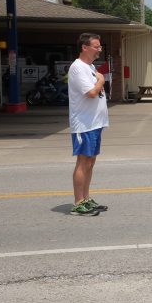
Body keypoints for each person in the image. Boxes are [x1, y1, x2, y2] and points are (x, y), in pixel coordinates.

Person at [68, 32, 109, 215]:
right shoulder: (78, 67)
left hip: (95, 123)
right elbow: (91, 93)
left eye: (100, 46)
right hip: (84, 124)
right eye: (96, 46)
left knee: (90, 162)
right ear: (85, 47)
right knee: (83, 161)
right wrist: (101, 80)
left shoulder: (90, 67)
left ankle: (86, 198)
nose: (99, 49)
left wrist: (98, 78)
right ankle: (78, 203)